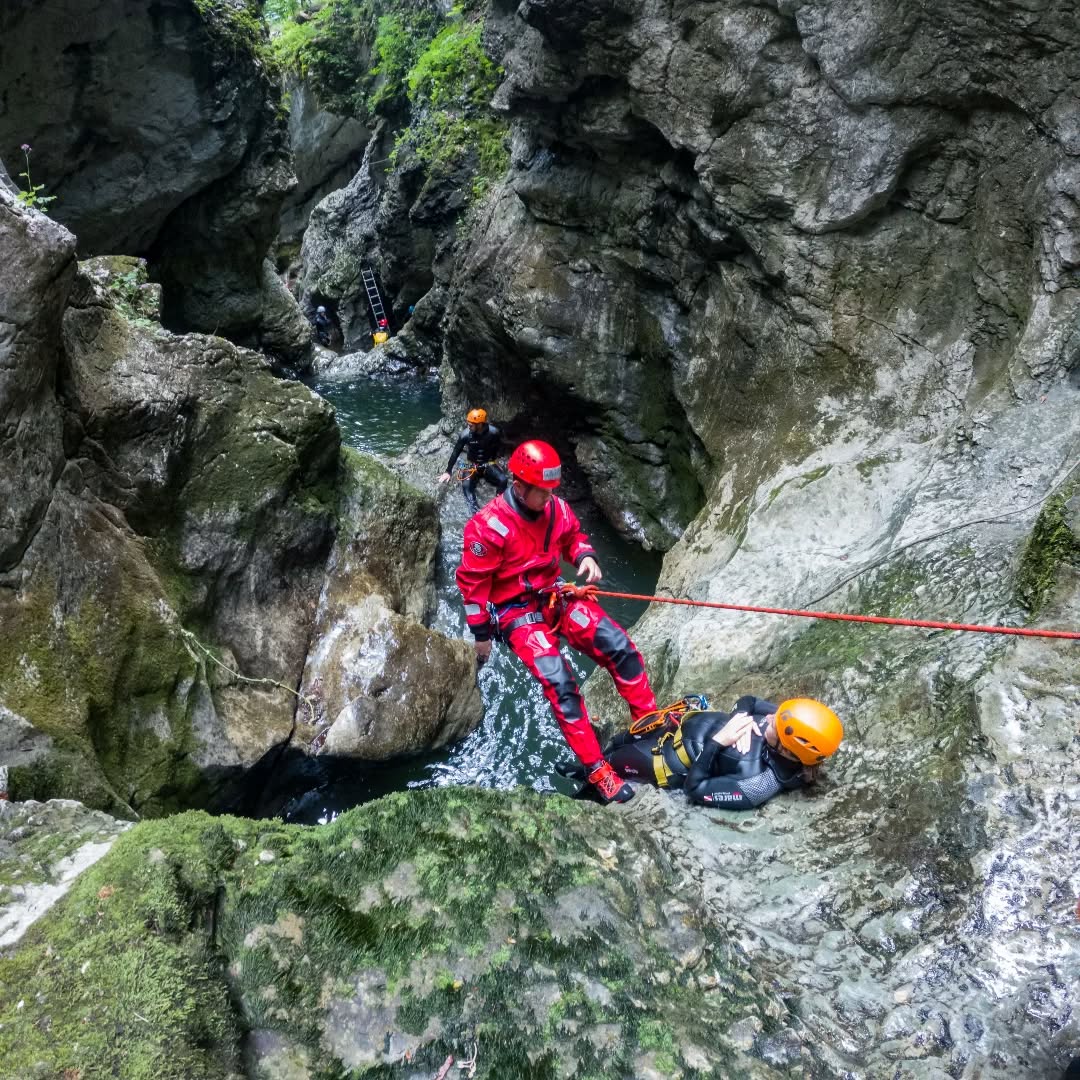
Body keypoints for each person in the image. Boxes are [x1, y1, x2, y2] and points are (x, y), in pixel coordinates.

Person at [455, 439, 659, 804]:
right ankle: (597, 770)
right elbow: (473, 587)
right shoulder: (487, 529)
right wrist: (482, 636)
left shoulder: (556, 509)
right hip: (517, 613)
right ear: (519, 486)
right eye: (543, 491)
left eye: (552, 490)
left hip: (555, 595)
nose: (550, 497)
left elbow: (573, 537)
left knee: (618, 645)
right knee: (561, 683)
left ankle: (649, 725)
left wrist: (585, 555)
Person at [568, 695, 843, 808]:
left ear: (788, 749)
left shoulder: (757, 783)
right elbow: (747, 701)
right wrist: (739, 719)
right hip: (674, 727)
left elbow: (695, 789)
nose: (770, 717)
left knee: (614, 763)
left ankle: (577, 797)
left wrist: (718, 743)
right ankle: (581, 769)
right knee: (617, 741)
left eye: (775, 723)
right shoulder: (785, 724)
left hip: (664, 761)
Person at [438, 408, 508, 513]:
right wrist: (448, 471)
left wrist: (494, 460)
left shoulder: (494, 433)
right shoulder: (465, 435)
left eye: (471, 425)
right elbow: (455, 452)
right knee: (466, 486)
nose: (468, 427)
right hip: (471, 464)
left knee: (503, 480)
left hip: (487, 463)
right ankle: (476, 512)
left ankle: (498, 506)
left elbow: (497, 447)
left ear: (480, 424)